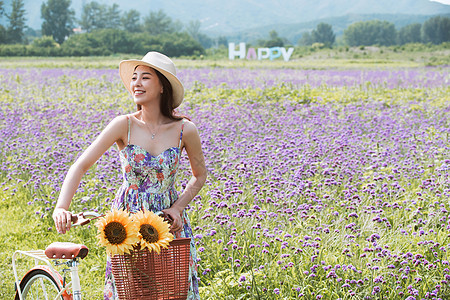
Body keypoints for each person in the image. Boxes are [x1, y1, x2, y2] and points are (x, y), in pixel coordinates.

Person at [52, 51, 207, 299]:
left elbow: (199, 175)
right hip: (126, 222)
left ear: (162, 87)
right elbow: (80, 166)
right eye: (134, 78)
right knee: (131, 291)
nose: (136, 83)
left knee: (173, 289)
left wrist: (178, 207)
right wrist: (62, 207)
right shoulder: (123, 124)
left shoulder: (185, 130)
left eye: (145, 77)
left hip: (168, 221)